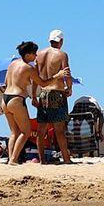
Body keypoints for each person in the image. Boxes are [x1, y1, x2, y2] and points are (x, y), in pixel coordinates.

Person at [36, 30, 73, 164]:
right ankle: (67, 160)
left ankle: (42, 160)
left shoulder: (39, 55)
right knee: (59, 129)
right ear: (61, 41)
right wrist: (69, 88)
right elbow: (67, 73)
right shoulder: (62, 55)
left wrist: (35, 96)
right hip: (57, 93)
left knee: (41, 129)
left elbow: (36, 77)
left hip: (43, 93)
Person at [2, 41, 42, 165]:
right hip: (16, 99)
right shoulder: (29, 68)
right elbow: (43, 83)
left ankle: (11, 159)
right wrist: (58, 76)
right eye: (34, 53)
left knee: (14, 132)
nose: (36, 56)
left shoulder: (12, 64)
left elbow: (4, 83)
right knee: (26, 131)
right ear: (28, 54)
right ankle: (14, 159)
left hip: (5, 98)